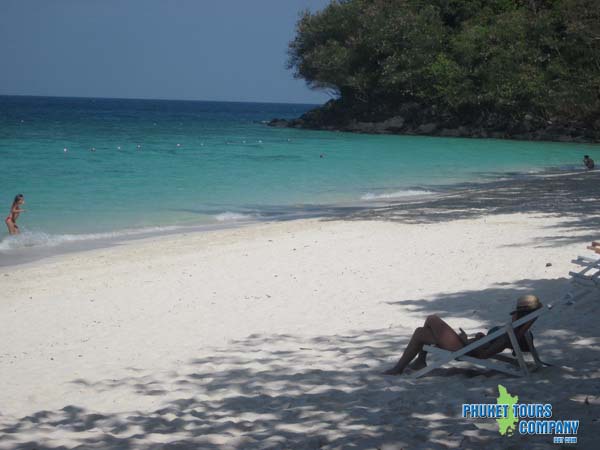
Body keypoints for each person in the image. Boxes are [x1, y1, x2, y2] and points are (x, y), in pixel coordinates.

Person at [383, 295, 543, 375]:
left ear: (520, 315)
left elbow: (482, 354)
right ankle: (416, 362)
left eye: (516, 314)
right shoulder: (514, 331)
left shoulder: (509, 335)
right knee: (420, 332)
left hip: (465, 349)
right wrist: (482, 338)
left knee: (431, 319)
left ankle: (404, 366)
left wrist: (465, 340)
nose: (513, 316)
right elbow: (487, 347)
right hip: (469, 345)